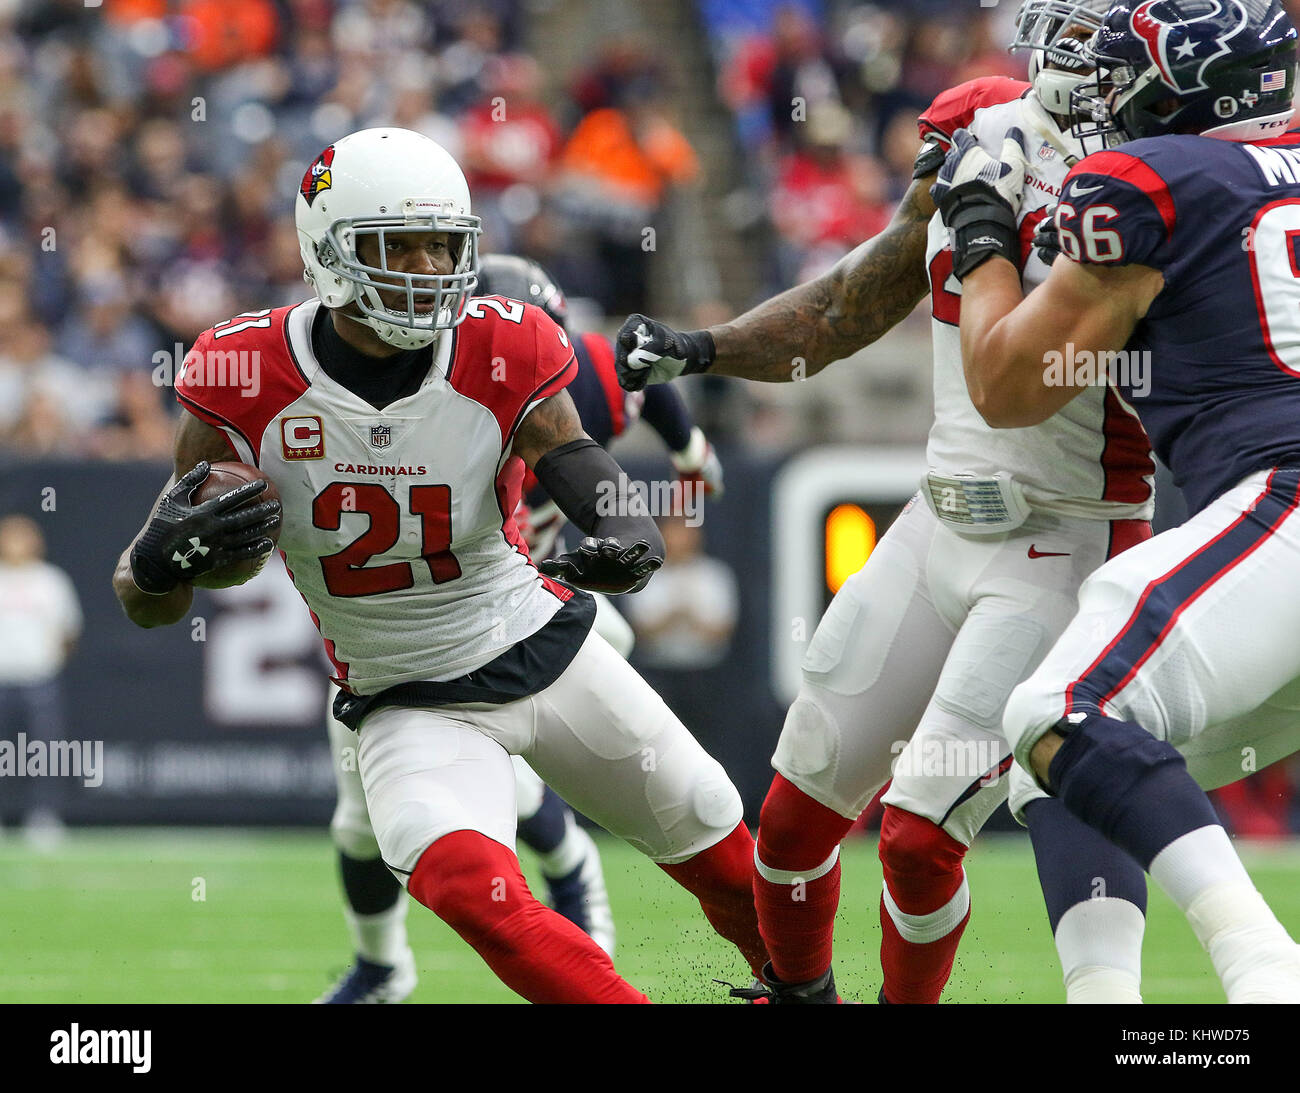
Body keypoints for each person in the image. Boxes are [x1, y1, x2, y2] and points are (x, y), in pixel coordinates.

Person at [112, 127, 768, 1004]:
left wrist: (633, 532)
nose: (427, 269)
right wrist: (152, 567)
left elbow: (575, 458)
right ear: (330, 251)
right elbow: (153, 593)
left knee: (727, 848)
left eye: (443, 245)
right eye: (399, 246)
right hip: (404, 693)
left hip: (539, 644)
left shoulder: (503, 342)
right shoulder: (241, 372)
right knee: (472, 890)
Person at [616, 0, 1157, 1004]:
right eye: (1069, 30)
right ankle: (802, 995)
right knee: (787, 820)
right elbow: (843, 307)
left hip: (1062, 543)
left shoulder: (1172, 179)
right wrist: (708, 347)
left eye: (1103, 34)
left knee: (917, 837)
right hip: (939, 519)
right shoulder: (984, 127)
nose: (1078, 55)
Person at [943, 0, 1300, 1001]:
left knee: (1058, 709)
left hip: (1285, 506)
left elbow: (1007, 386)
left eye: (1127, 76)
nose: (1109, 97)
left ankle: (1267, 969)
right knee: (1056, 765)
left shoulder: (1156, 184)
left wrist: (981, 238)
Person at [317, 252, 723, 1002]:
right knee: (361, 819)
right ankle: (383, 965)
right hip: (403, 634)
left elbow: (636, 381)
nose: (534, 376)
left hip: (538, 612)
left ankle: (572, 866)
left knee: (586, 727)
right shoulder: (413, 402)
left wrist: (691, 452)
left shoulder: (581, 381)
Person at [0, 514, 82, 841]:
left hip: (39, 681)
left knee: (44, 753)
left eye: (25, 537)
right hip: (2, 679)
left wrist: (48, 662)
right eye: (11, 537)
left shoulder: (51, 581)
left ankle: (43, 816)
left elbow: (69, 631)